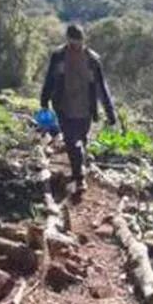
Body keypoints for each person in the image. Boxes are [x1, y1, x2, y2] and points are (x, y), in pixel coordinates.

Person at [39, 23, 116, 193]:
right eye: (72, 43)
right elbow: (50, 79)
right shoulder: (58, 56)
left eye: (78, 43)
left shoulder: (92, 60)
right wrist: (44, 100)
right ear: (67, 41)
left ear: (83, 41)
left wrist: (110, 112)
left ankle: (78, 167)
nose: (76, 46)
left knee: (81, 141)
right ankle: (79, 177)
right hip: (64, 106)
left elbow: (101, 87)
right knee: (72, 141)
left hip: (85, 108)